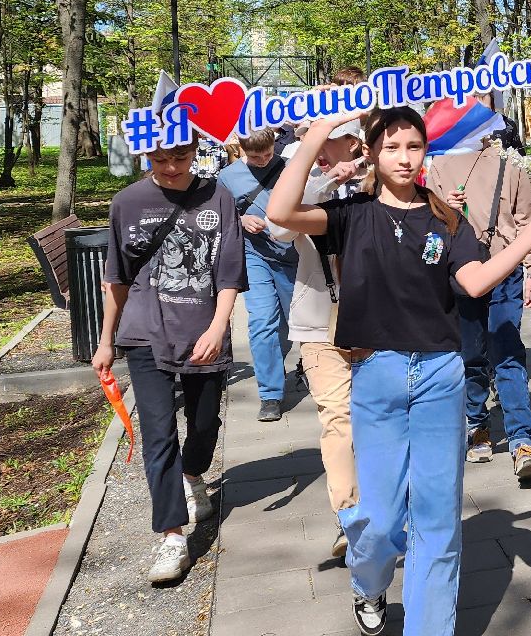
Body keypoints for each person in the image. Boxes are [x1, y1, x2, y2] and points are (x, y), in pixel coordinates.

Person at [269, 106, 531, 636]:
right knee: (378, 520)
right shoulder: (349, 216)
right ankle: (368, 582)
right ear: (374, 153)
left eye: (415, 146)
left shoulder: (447, 219)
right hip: (374, 375)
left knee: (436, 524)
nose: (405, 158)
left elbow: (474, 282)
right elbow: (280, 212)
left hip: (439, 378)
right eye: (393, 147)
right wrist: (318, 133)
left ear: (427, 152)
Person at [94, 138, 245, 586]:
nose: (171, 167)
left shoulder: (218, 196)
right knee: (158, 435)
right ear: (146, 156)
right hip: (144, 332)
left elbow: (229, 271)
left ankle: (192, 474)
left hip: (202, 329)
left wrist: (218, 326)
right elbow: (116, 278)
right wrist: (106, 341)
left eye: (180, 157)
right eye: (160, 159)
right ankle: (172, 536)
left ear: (195, 151)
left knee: (205, 422)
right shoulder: (128, 202)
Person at [270, 118, 368, 558]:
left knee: (380, 419)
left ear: (354, 141)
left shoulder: (382, 176)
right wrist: (327, 181)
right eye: (312, 141)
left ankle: (387, 506)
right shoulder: (306, 180)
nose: (319, 149)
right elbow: (279, 228)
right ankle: (350, 518)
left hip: (383, 322)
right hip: (320, 320)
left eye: (328, 140)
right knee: (337, 418)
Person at [426, 129, 531, 480]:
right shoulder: (439, 164)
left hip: (505, 271)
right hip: (461, 275)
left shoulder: (509, 163)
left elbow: (528, 219)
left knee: (507, 353)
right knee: (471, 355)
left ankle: (521, 440)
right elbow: (427, 232)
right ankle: (477, 424)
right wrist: (444, 209)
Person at [218, 127, 298, 422]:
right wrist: (241, 220)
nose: (264, 160)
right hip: (254, 254)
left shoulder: (290, 167)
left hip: (293, 255)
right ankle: (270, 394)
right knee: (263, 321)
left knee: (293, 322)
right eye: (256, 157)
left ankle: (289, 366)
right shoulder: (228, 177)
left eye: (268, 154)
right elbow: (222, 215)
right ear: (241, 150)